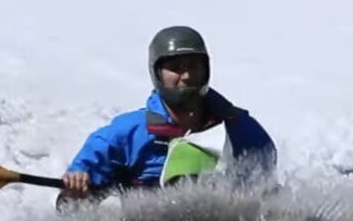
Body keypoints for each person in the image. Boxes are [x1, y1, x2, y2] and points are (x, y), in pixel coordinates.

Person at [60, 25, 277, 204]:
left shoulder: (243, 129)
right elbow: (68, 208)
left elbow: (269, 198)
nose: (187, 75)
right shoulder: (123, 135)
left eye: (194, 66)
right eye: (176, 68)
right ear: (157, 74)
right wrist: (74, 193)